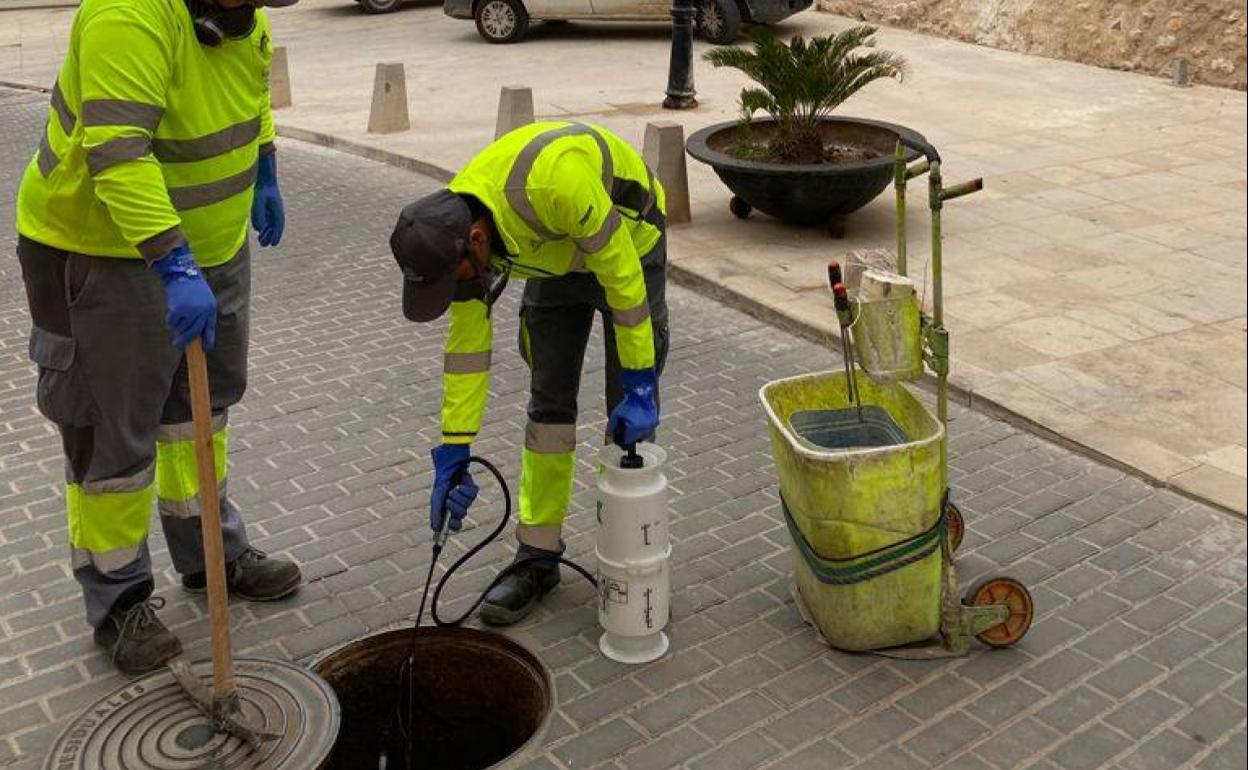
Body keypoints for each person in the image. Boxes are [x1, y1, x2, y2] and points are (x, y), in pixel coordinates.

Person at [15, 0, 301, 675]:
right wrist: (173, 263)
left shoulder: (244, 16)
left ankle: (211, 553)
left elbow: (252, 95)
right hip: (104, 251)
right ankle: (117, 601)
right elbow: (119, 153)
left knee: (197, 416)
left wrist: (265, 170)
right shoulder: (129, 14)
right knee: (113, 435)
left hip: (214, 247)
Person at [390, 121, 669, 625]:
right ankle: (537, 559)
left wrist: (641, 385)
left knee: (625, 423)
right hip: (554, 257)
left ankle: (628, 566)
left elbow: (624, 282)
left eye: (455, 282)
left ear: (476, 238)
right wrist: (455, 446)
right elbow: (467, 352)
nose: (458, 292)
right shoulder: (454, 235)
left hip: (627, 239)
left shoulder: (554, 183)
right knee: (548, 414)